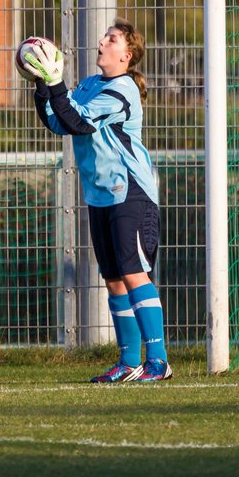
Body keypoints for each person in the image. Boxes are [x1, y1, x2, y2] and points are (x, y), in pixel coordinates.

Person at [27, 19, 171, 382]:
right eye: (104, 35)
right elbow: (61, 121)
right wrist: (43, 86)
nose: (102, 41)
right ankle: (128, 363)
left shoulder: (123, 90)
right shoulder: (91, 85)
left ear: (127, 55)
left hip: (130, 192)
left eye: (112, 38)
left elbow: (80, 122)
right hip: (101, 195)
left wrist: (56, 83)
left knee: (134, 274)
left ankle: (158, 360)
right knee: (113, 279)